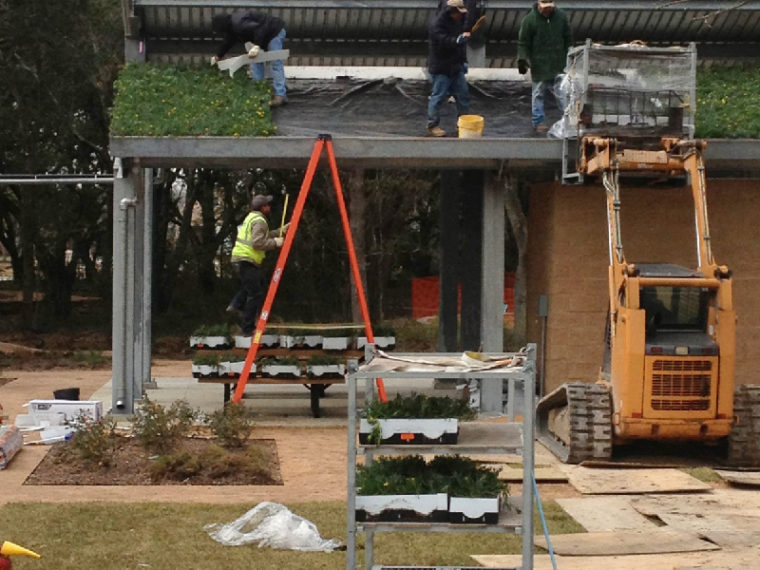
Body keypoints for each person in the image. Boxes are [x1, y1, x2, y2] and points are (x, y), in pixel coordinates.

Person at [229, 195, 288, 336]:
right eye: (268, 204)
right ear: (263, 207)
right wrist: (276, 243)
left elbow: (264, 236)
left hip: (242, 259)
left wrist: (281, 230)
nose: (270, 206)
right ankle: (248, 329)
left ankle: (236, 304)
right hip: (247, 259)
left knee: (255, 283)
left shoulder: (251, 218)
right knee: (255, 293)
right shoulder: (260, 221)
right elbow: (257, 243)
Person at [211, 11, 288, 107]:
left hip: (274, 31)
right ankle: (258, 92)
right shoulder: (233, 28)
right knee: (255, 61)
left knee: (275, 61)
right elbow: (228, 42)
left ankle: (280, 95)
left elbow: (260, 29)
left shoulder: (240, 24)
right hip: (263, 34)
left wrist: (256, 46)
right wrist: (218, 56)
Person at [516, 0, 572, 133]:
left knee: (564, 93)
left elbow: (568, 38)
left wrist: (570, 56)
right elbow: (523, 43)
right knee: (538, 94)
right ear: (539, 5)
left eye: (550, 7)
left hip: (559, 64)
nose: (548, 10)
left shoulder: (561, 17)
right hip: (540, 65)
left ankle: (569, 121)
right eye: (545, 7)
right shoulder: (529, 20)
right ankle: (538, 122)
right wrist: (522, 59)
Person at [427, 0, 471, 137]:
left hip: (455, 67)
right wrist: (456, 41)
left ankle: (462, 124)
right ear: (452, 11)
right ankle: (432, 124)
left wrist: (462, 60)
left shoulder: (457, 21)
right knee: (438, 96)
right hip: (442, 67)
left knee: (463, 96)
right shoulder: (437, 25)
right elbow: (442, 41)